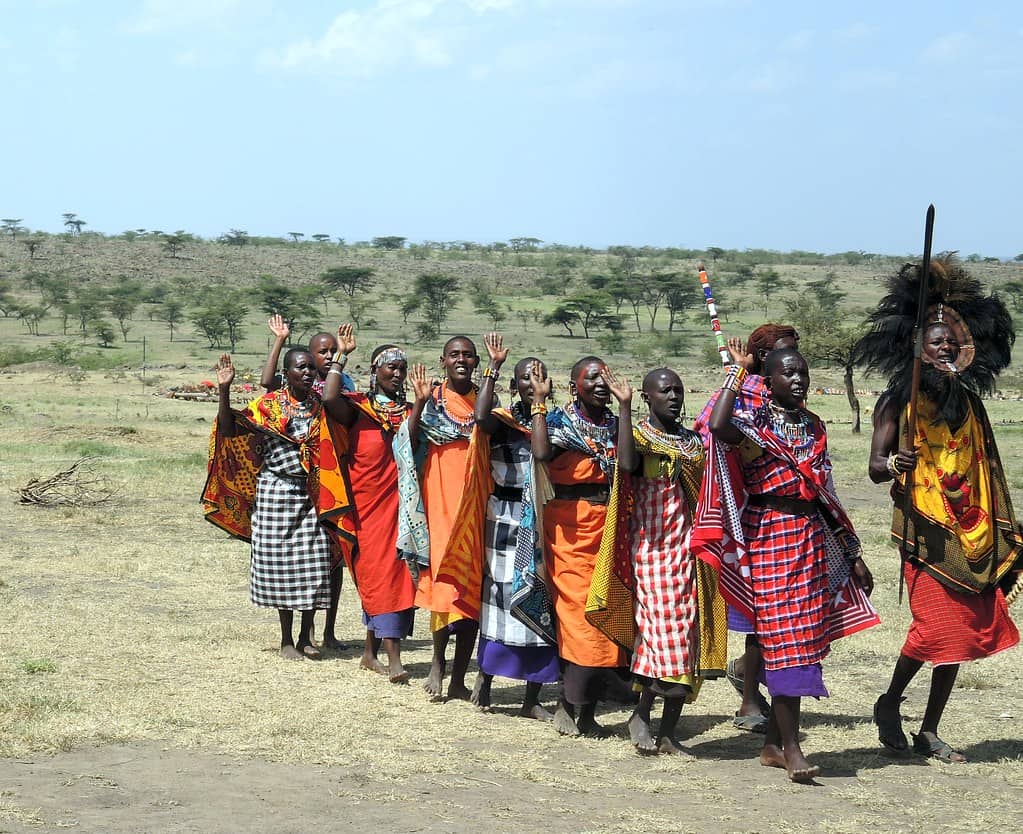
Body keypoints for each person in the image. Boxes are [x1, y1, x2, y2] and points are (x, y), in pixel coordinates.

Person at [854, 256, 1022, 763]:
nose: (944, 344)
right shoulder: (895, 401)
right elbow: (875, 467)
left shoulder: (969, 401)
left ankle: (929, 728)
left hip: (970, 528)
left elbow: (985, 468)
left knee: (963, 634)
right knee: (934, 630)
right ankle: (890, 700)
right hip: (926, 530)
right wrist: (894, 462)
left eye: (951, 339)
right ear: (916, 346)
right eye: (935, 339)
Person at [700, 347, 877, 782]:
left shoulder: (815, 425)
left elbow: (826, 492)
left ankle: (772, 746)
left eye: (803, 372)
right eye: (788, 372)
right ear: (769, 378)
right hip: (766, 536)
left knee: (799, 639)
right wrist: (737, 375)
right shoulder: (754, 421)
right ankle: (794, 749)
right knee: (784, 643)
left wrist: (851, 553)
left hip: (809, 539)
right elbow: (718, 427)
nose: (798, 379)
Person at [612, 368, 727, 756]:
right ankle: (642, 714)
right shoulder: (640, 437)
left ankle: (669, 731)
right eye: (665, 391)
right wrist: (624, 409)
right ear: (647, 397)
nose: (674, 397)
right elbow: (626, 466)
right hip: (650, 549)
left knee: (688, 635)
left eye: (678, 390)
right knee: (660, 635)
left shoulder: (696, 443)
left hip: (690, 553)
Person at [203, 350, 343, 660]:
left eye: (310, 368)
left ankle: (307, 636)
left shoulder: (320, 407)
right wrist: (224, 390)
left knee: (314, 563)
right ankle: (286, 640)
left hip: (312, 493)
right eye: (300, 367)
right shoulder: (266, 407)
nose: (307, 373)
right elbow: (229, 429)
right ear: (287, 372)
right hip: (275, 490)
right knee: (279, 564)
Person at [694, 323, 799, 733]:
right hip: (743, 512)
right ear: (760, 361)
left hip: (790, 518)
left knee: (779, 613)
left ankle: (754, 680)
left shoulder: (791, 403)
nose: (790, 367)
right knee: (759, 615)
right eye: (781, 356)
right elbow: (708, 435)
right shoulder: (741, 395)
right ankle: (750, 700)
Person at [531, 356, 632, 737]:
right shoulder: (559, 421)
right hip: (570, 528)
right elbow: (541, 455)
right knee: (579, 618)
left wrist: (624, 409)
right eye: (591, 378)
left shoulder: (613, 423)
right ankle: (573, 705)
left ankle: (580, 704)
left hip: (611, 525)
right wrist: (540, 403)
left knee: (605, 613)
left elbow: (626, 463)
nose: (601, 383)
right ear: (574, 386)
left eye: (604, 376)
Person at [321, 338, 428, 683]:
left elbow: (410, 445)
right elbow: (328, 398)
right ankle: (394, 660)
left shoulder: (409, 411)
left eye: (401, 369)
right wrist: (341, 356)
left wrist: (422, 404)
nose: (397, 374)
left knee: (395, 575)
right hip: (365, 508)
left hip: (402, 505)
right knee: (379, 576)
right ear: (374, 371)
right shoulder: (359, 409)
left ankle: (371, 653)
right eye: (390, 367)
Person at [468, 334, 560, 720]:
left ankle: (531, 696)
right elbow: (479, 417)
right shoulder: (503, 422)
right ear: (513, 385)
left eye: (539, 376)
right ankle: (486, 678)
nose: (532, 382)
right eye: (525, 377)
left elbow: (544, 454)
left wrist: (541, 406)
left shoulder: (554, 423)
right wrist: (494, 366)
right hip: (504, 516)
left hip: (539, 518)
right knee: (498, 596)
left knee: (538, 595)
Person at [260, 315, 356, 651]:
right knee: (290, 563)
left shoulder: (336, 387)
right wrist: (280, 340)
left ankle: (321, 632)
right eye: (322, 352)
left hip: (321, 488)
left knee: (324, 562)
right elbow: (267, 382)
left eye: (333, 352)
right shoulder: (283, 397)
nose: (328, 357)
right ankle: (299, 636)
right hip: (283, 488)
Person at [413, 336, 483, 701]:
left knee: (471, 587)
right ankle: (437, 663)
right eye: (454, 354)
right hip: (439, 497)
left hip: (474, 500)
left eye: (467, 355)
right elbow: (408, 443)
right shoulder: (433, 398)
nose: (461, 360)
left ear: (475, 361)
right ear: (443, 360)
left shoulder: (484, 399)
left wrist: (495, 371)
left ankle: (459, 675)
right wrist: (419, 403)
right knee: (443, 581)